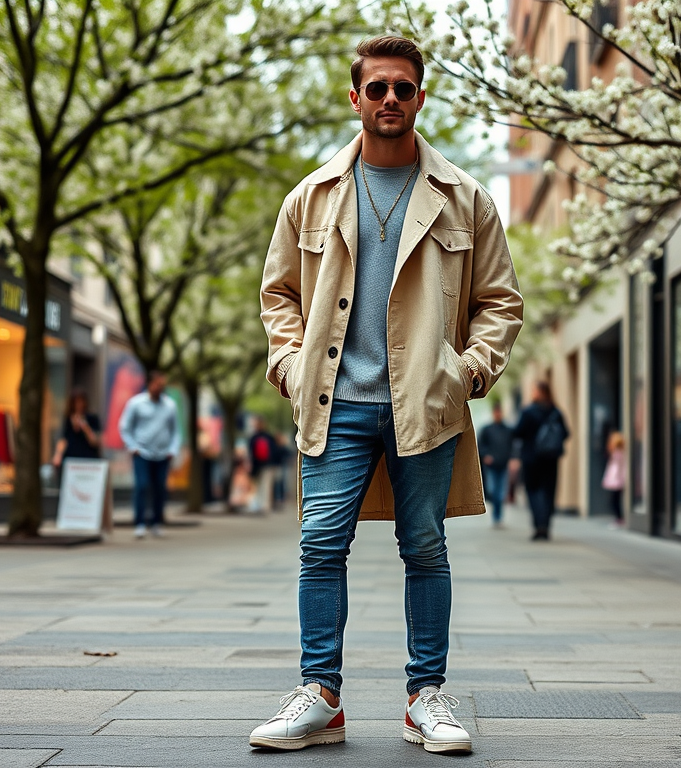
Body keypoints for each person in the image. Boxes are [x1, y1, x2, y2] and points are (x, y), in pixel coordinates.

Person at [255, 36, 522, 754]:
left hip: (425, 404)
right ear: (356, 99)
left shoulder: (465, 198)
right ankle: (320, 697)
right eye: (377, 89)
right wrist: (289, 363)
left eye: (403, 88)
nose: (390, 100)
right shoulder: (309, 197)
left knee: (425, 546)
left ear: (420, 97)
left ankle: (424, 698)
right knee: (319, 545)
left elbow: (501, 302)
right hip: (334, 403)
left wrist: (466, 371)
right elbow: (278, 294)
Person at [118, 370, 181, 539]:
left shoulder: (170, 405)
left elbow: (176, 431)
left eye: (163, 385)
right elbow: (125, 426)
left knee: (160, 488)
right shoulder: (136, 403)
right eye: (158, 384)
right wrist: (132, 447)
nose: (160, 388)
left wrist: (172, 450)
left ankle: (156, 522)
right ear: (150, 384)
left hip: (163, 455)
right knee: (142, 486)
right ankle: (139, 523)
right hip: (142, 453)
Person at [513, 381, 569, 542]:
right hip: (550, 459)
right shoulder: (555, 412)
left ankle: (538, 525)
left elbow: (518, 432)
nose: (532, 392)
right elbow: (566, 433)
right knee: (548, 491)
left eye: (534, 390)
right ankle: (546, 525)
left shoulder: (528, 411)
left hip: (531, 458)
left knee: (532, 490)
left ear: (539, 392)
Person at [478, 402, 514, 528]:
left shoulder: (508, 430)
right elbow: (481, 445)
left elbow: (513, 445)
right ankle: (495, 516)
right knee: (493, 490)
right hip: (491, 465)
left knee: (501, 492)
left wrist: (513, 459)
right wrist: (486, 455)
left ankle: (498, 517)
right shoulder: (487, 430)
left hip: (503, 464)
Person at [50, 388, 102, 477]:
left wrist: (85, 426)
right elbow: (63, 439)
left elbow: (95, 441)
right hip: (71, 463)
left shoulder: (92, 418)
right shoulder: (68, 419)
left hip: (88, 464)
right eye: (76, 402)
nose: (79, 405)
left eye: (81, 401)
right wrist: (58, 455)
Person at [248, 417, 276, 513]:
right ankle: (265, 505)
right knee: (266, 485)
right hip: (268, 464)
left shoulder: (253, 437)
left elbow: (251, 453)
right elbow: (274, 451)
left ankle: (258, 504)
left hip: (257, 465)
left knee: (258, 485)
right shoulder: (269, 437)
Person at [602, 431, 626, 527]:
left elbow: (618, 469)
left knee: (615, 500)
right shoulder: (616, 453)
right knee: (614, 500)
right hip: (615, 480)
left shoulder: (618, 454)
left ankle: (619, 519)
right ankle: (619, 518)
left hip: (617, 480)